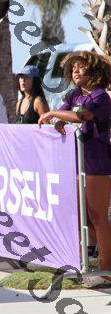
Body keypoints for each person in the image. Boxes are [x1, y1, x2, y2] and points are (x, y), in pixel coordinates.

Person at [38, 50, 111, 288]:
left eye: (81, 67)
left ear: (94, 70)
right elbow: (65, 114)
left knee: (98, 216)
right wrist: (58, 119)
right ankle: (83, 264)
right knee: (80, 217)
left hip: (98, 163)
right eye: (72, 69)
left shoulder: (101, 96)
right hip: (75, 163)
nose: (75, 71)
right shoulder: (74, 94)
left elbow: (81, 115)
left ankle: (106, 270)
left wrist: (52, 113)